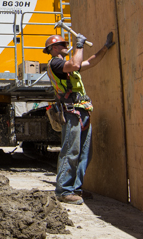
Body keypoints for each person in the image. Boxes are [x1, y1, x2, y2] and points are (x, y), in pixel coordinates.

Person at [44, 30, 115, 205]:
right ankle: (63, 191)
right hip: (70, 112)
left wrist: (105, 49)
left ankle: (75, 189)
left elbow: (90, 61)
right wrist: (79, 45)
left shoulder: (68, 65)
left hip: (81, 110)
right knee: (71, 151)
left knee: (84, 153)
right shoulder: (56, 64)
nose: (65, 47)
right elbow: (75, 65)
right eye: (62, 45)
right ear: (53, 48)